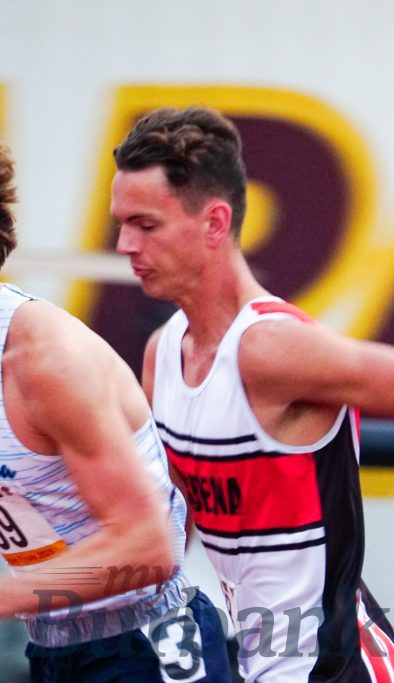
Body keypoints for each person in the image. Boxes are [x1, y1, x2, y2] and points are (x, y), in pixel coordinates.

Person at [110, 106, 394, 682]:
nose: (124, 244)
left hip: (337, 665)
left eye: (145, 225)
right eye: (121, 224)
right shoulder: (162, 353)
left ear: (215, 223)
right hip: (265, 660)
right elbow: (176, 515)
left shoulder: (271, 349)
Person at [0, 144, 231, 681]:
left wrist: (7, 595)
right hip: (54, 643)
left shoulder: (46, 361)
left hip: (147, 644)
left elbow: (150, 547)